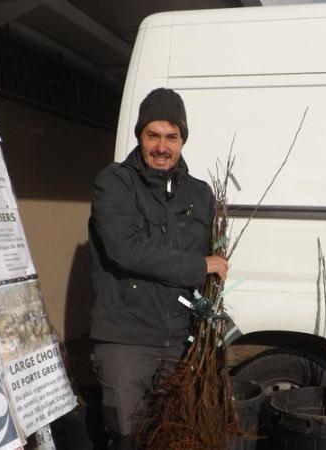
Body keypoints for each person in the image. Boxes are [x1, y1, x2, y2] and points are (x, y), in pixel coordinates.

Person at [89, 88, 228, 449]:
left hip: (181, 341)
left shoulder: (200, 194)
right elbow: (125, 249)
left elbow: (212, 263)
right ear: (140, 135)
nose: (162, 146)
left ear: (183, 140)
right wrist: (198, 266)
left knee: (174, 437)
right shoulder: (115, 183)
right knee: (128, 437)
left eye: (172, 136)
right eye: (153, 135)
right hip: (127, 340)